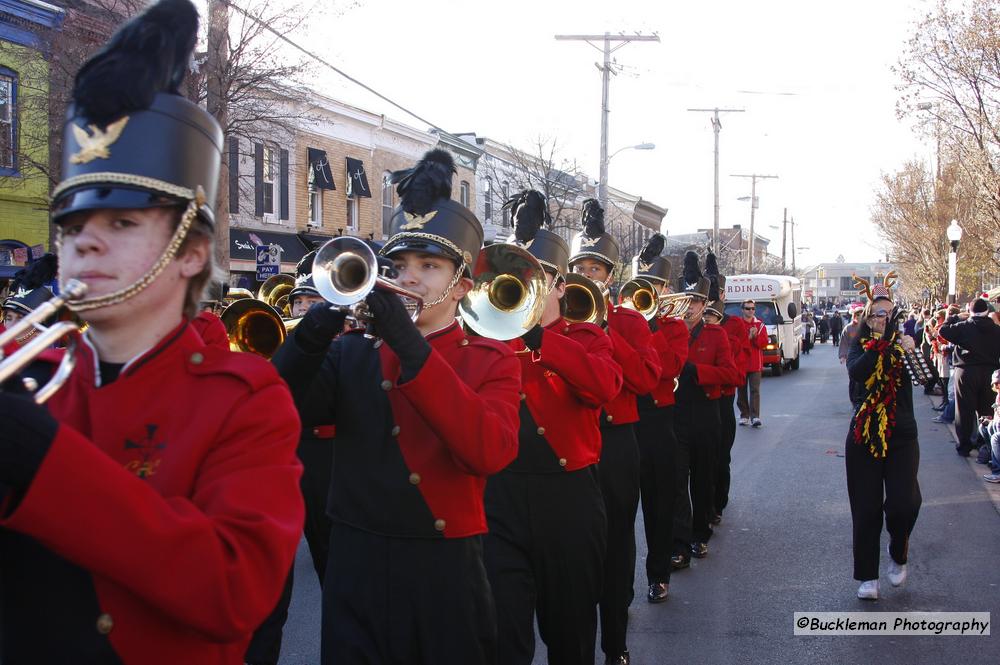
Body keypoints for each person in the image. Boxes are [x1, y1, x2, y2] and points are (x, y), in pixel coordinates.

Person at [0, 2, 306, 662]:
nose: (86, 245)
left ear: (191, 252)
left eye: (122, 224)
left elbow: (235, 586)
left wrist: (39, 457)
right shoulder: (33, 374)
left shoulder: (246, 397)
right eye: (74, 228)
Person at [273, 149, 522, 665]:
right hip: (355, 564)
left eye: (429, 266)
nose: (408, 279)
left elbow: (490, 451)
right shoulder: (350, 351)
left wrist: (409, 346)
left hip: (443, 568)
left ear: (462, 288)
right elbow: (277, 408)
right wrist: (315, 330)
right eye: (398, 265)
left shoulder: (492, 359)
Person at [484, 190, 621, 665]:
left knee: (571, 634)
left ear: (561, 286)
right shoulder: (485, 337)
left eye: (538, 277)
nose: (527, 285)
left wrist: (541, 337)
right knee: (504, 637)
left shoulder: (587, 337)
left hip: (568, 501)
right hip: (499, 498)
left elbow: (603, 386)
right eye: (518, 277)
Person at [570, 198, 659, 665]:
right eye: (581, 266)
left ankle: (616, 643)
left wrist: (608, 330)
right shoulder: (555, 320)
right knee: (577, 550)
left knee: (618, 542)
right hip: (571, 450)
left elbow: (646, 379)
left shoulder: (628, 320)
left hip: (618, 442)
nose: (589, 274)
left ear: (610, 274)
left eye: (597, 268)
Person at [846, 273, 921, 601]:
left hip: (901, 432)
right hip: (864, 433)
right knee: (866, 508)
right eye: (880, 314)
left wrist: (910, 348)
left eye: (891, 314)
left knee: (905, 503)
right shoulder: (859, 347)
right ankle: (867, 576)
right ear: (868, 318)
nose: (886, 318)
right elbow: (858, 372)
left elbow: (922, 377)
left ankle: (898, 551)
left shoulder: (904, 347)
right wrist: (881, 345)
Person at [630, 234, 688, 605]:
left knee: (658, 508)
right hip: (624, 424)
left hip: (659, 422)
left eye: (653, 286)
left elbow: (668, 369)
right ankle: (618, 589)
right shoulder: (618, 320)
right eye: (642, 285)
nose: (647, 292)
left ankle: (658, 575)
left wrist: (650, 329)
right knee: (618, 518)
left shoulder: (676, 328)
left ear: (665, 288)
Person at [672, 251, 737, 564]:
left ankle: (700, 534)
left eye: (696, 302)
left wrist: (698, 372)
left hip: (705, 413)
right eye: (687, 301)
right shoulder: (668, 331)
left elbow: (732, 374)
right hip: (674, 414)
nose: (690, 308)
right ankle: (680, 544)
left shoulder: (716, 334)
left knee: (701, 479)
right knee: (675, 481)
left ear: (703, 304)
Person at [704, 252, 747, 526]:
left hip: (722, 401)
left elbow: (737, 374)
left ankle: (717, 503)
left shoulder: (736, 325)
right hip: (696, 401)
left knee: (720, 457)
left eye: (714, 293)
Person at [937, 297, 1000, 456]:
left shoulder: (963, 326)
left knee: (964, 410)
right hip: (990, 371)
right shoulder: (996, 329)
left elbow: (942, 330)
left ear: (970, 311)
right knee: (988, 409)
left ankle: (965, 445)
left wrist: (955, 316)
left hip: (966, 371)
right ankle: (984, 444)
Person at [738, 299, 768, 427]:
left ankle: (755, 416)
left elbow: (763, 344)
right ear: (742, 310)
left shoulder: (760, 325)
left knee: (755, 390)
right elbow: (737, 344)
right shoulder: (738, 324)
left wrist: (755, 337)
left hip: (755, 363)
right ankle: (744, 415)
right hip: (741, 363)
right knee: (741, 390)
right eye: (747, 308)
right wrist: (749, 337)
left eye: (752, 309)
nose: (750, 311)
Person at [839, 308, 863, 404]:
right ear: (854, 316)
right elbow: (843, 343)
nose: (859, 317)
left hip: (863, 356)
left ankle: (860, 398)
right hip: (851, 358)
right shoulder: (848, 328)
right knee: (853, 379)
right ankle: (853, 399)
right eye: (857, 315)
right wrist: (842, 356)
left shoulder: (867, 327)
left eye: (861, 315)